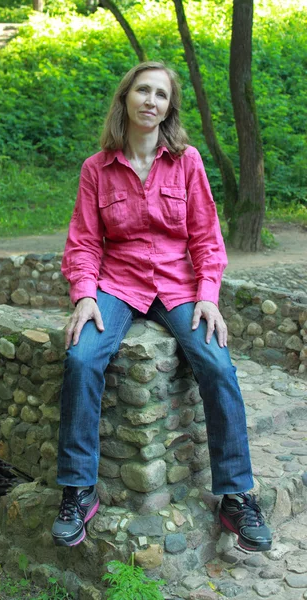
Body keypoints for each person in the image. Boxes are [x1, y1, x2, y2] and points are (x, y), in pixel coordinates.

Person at [51, 61, 272, 552]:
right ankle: (78, 490)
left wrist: (209, 298)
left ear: (169, 107)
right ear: (126, 98)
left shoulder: (187, 160)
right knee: (82, 357)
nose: (151, 101)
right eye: (143, 91)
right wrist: (85, 295)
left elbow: (206, 239)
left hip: (179, 285)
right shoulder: (97, 168)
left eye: (162, 95)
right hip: (118, 284)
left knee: (216, 362)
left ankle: (237, 496)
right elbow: (85, 242)